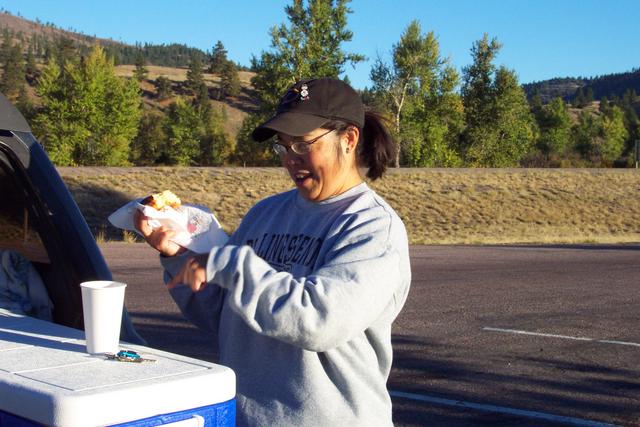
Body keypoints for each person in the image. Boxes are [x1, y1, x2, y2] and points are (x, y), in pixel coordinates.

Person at [135, 77, 411, 426]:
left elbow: (318, 321)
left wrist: (227, 262)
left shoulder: (372, 229)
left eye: (302, 145)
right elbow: (223, 316)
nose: (290, 160)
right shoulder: (265, 214)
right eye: (283, 147)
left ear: (349, 139)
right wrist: (178, 253)